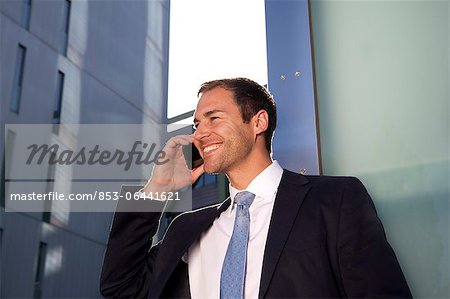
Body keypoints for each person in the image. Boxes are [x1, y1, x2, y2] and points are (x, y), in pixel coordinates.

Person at [100, 78, 412, 298]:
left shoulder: (335, 200)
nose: (199, 134)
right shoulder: (188, 228)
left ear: (258, 122)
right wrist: (157, 189)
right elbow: (120, 287)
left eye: (213, 119)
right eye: (197, 125)